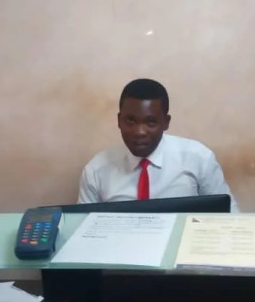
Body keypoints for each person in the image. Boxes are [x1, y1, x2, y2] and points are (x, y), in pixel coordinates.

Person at [78, 78, 239, 211]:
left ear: (166, 122)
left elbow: (229, 217)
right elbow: (81, 228)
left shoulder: (199, 158)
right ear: (119, 120)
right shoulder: (96, 170)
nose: (139, 132)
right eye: (131, 121)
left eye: (151, 122)